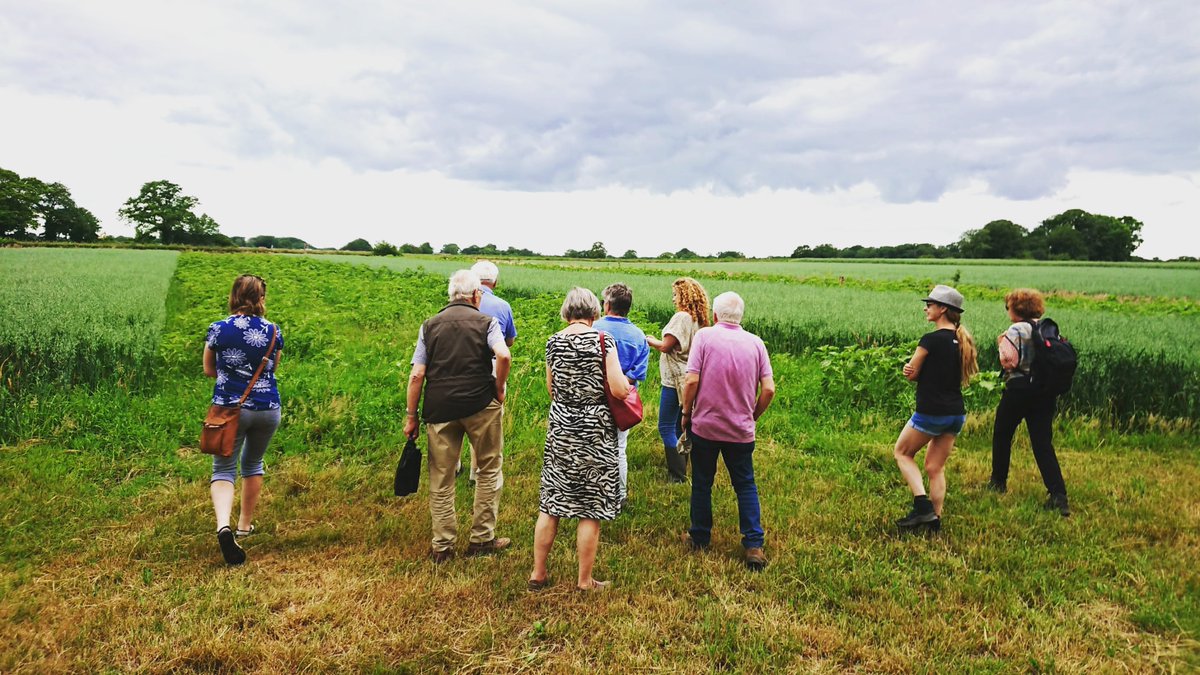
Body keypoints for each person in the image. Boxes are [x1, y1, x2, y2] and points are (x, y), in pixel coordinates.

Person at [404, 270, 512, 563]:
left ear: (451, 295)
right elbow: (503, 355)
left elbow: (417, 375)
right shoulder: (487, 322)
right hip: (481, 404)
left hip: (440, 408)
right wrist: (498, 388)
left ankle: (442, 546)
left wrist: (411, 416)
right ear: (476, 295)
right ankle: (482, 539)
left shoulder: (429, 325)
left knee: (441, 476)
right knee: (489, 469)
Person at [528, 287, 630, 591]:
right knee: (591, 506)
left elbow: (551, 388)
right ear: (594, 312)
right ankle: (585, 581)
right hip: (595, 429)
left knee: (551, 503)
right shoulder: (603, 341)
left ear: (566, 312)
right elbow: (618, 388)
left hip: (561, 426)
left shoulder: (553, 342)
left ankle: (538, 574)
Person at [680, 292, 775, 571]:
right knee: (745, 484)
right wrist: (752, 415)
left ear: (715, 316)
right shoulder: (756, 343)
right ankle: (754, 544)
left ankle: (699, 537)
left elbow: (692, 379)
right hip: (741, 430)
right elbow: (769, 389)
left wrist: (687, 413)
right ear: (741, 317)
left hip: (706, 427)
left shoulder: (705, 337)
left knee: (702, 482)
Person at [203, 274, 284, 566]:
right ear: (261, 298)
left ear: (234, 295)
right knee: (253, 464)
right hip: (267, 407)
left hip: (229, 409)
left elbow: (208, 369)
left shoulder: (218, 329)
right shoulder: (274, 331)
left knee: (223, 469)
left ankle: (223, 526)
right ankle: (244, 526)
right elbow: (272, 368)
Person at [892, 284, 979, 532]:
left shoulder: (930, 340)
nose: (926, 308)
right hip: (956, 414)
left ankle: (922, 507)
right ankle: (935, 520)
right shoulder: (962, 341)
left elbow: (912, 372)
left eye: (929, 305)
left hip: (931, 412)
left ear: (942, 309)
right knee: (934, 467)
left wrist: (909, 370)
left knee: (902, 453)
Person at [988, 288, 1070, 516]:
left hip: (1019, 389)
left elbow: (1009, 362)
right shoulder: (1046, 327)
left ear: (1017, 308)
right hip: (1044, 391)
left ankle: (998, 482)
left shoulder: (1016, 329)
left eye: (1008, 307)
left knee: (1002, 433)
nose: (1007, 311)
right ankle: (1058, 495)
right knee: (1043, 443)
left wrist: (1001, 344)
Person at [455, 260, 517, 484]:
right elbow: (508, 343)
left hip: (458, 364)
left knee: (456, 413)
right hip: (491, 365)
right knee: (485, 419)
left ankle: (454, 465)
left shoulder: (458, 304)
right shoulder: (503, 305)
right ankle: (476, 471)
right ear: (496, 282)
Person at [646, 277, 710, 483]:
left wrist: (649, 340)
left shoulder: (681, 317)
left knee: (665, 426)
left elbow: (666, 345)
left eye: (675, 294)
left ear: (684, 295)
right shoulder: (699, 319)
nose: (673, 299)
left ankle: (678, 475)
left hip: (674, 379)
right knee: (679, 425)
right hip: (690, 376)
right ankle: (684, 462)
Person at [593, 282, 649, 508]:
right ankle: (620, 496)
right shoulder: (638, 336)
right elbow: (638, 373)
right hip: (622, 400)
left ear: (607, 305)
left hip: (593, 397)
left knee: (592, 445)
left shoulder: (593, 328)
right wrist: (619, 383)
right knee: (619, 448)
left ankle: (594, 494)